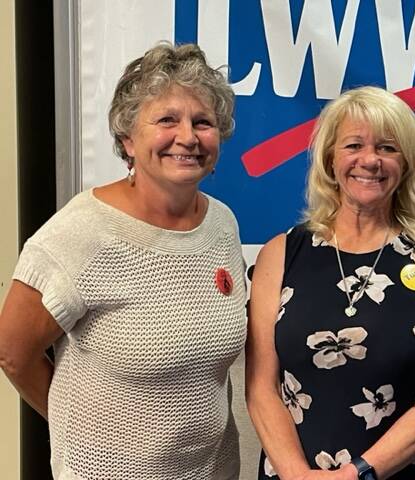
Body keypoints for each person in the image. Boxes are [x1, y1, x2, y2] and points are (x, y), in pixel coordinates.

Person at [0, 43, 246, 479]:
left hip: (213, 471)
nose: (187, 137)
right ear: (128, 139)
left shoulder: (222, 223)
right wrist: (77, 432)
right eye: (167, 119)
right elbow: (13, 352)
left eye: (203, 122)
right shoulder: (82, 231)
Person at [246, 86, 415, 480]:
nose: (370, 161)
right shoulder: (280, 255)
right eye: (354, 145)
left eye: (387, 148)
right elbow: (260, 388)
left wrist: (357, 474)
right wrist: (296, 475)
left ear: (407, 162)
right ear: (330, 158)